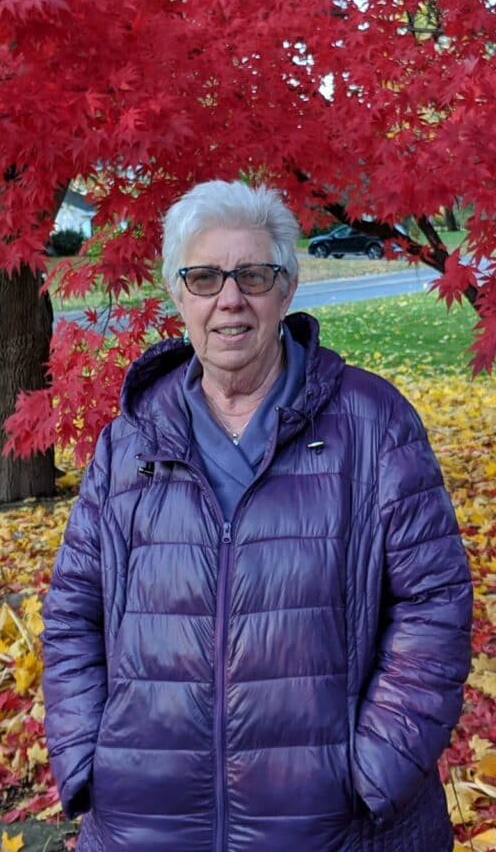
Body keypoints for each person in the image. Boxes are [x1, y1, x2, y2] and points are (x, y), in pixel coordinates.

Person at [41, 180, 473, 852]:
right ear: (178, 294)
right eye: (206, 276)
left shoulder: (373, 424)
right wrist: (86, 758)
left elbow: (434, 603)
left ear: (288, 288)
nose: (230, 298)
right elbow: (73, 610)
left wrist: (373, 772)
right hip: (148, 820)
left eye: (254, 274)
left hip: (332, 825)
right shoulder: (130, 442)